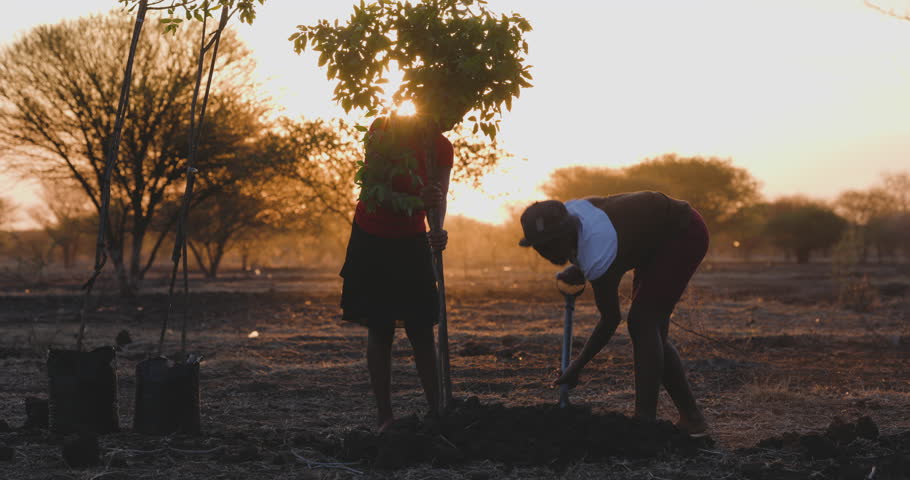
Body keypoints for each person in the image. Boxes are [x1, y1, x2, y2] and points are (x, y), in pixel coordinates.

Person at [518, 191, 709, 434]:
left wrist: (576, 367)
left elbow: (610, 320)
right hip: (653, 237)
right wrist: (579, 266)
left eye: (551, 244)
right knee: (652, 328)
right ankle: (691, 419)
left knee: (643, 322)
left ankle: (644, 422)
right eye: (540, 247)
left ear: (567, 232)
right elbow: (587, 243)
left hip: (683, 233)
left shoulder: (599, 251)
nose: (546, 253)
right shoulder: (571, 213)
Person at [339, 112, 453, 432]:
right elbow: (373, 191)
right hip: (372, 238)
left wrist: (437, 229)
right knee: (381, 328)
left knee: (421, 328)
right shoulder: (383, 130)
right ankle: (384, 417)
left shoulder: (442, 147)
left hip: (412, 241)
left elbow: (439, 196)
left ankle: (436, 412)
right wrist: (419, 200)